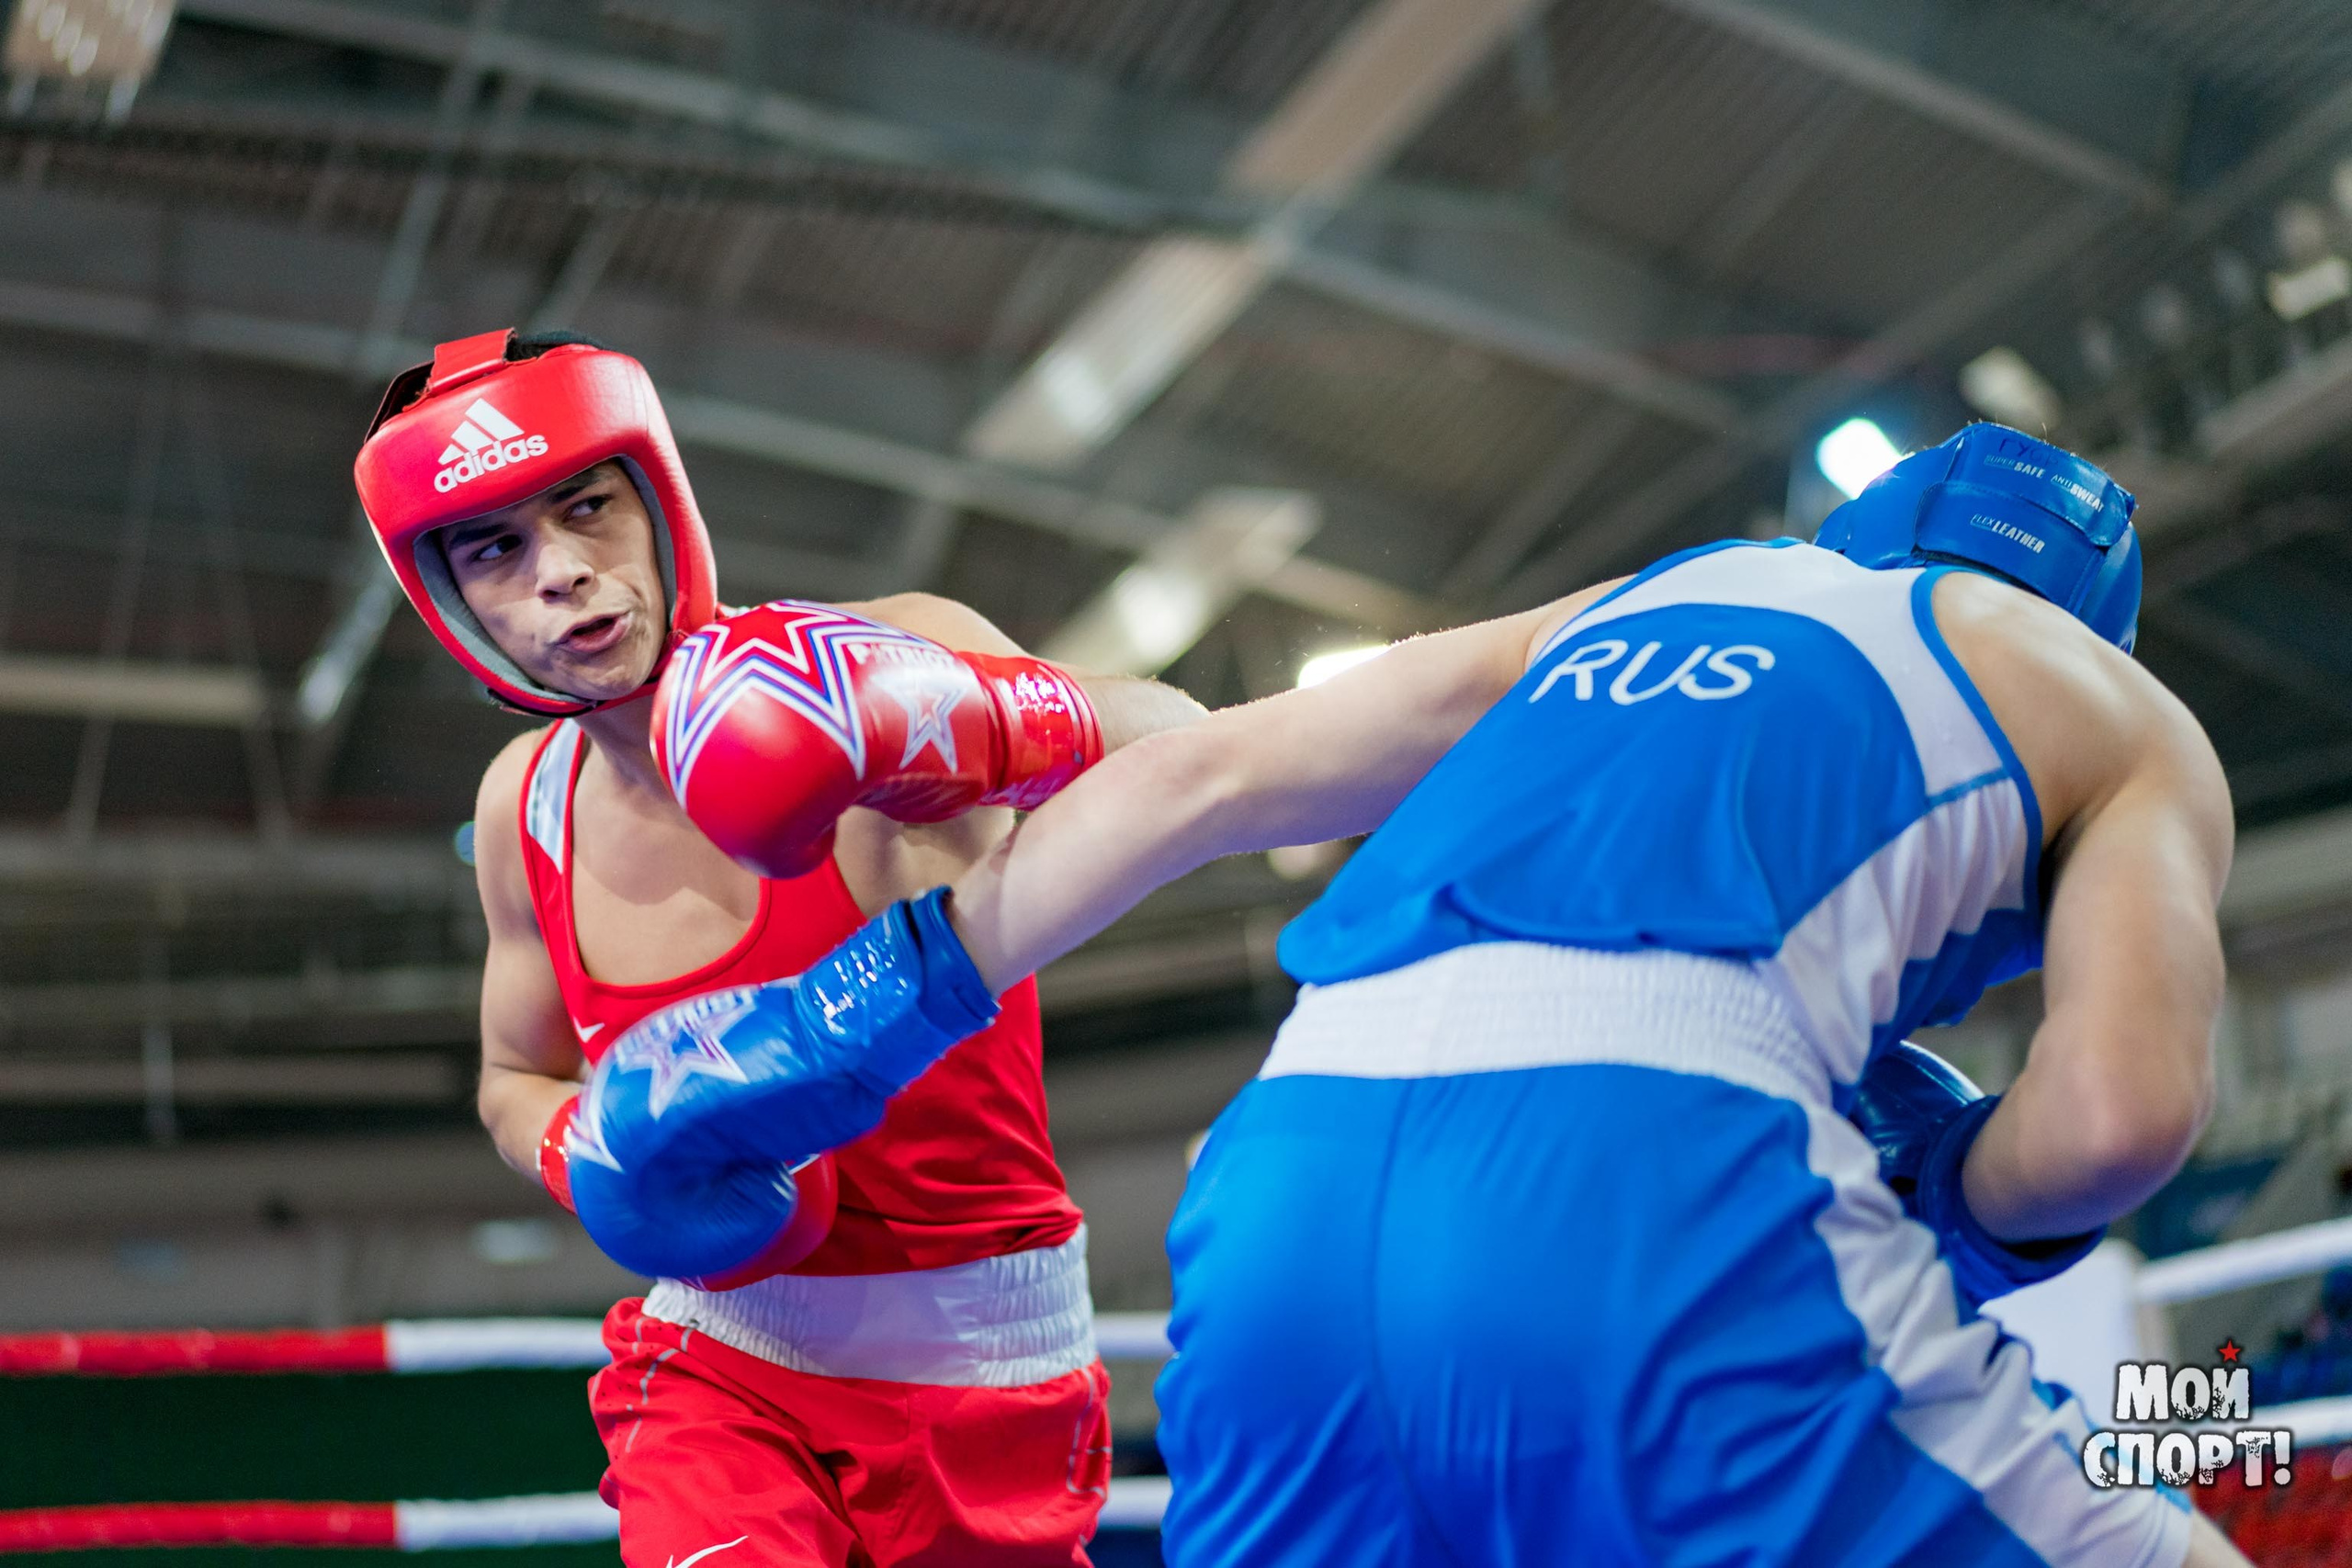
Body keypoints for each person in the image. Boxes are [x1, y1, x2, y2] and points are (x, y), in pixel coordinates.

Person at [574, 423, 2250, 1566]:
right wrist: (1956, 1198)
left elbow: (1201, 781)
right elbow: (2115, 1123)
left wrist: (824, 1025)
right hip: (1660, 1178)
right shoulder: (2124, 717)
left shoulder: (1663, 591)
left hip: (1286, 1170)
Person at [350, 328, 1205, 1568]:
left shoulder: (881, 649)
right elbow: (509, 1077)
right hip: (724, 1362)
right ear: (454, 603)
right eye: (497, 548)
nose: (563, 574)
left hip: (988, 1362)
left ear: (657, 500)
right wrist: (591, 1150)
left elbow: (1187, 751)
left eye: (586, 508)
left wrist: (970, 718)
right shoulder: (520, 808)